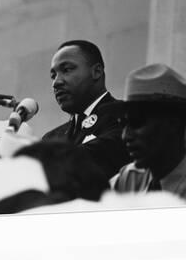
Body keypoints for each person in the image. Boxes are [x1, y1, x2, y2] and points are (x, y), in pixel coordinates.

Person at [112, 63, 186, 205]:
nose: (125, 136)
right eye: (123, 124)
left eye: (137, 123)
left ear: (173, 125)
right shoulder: (128, 179)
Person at [42, 40, 130, 178]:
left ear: (97, 71)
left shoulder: (123, 117)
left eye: (66, 70)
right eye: (53, 75)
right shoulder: (51, 138)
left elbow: (93, 158)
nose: (56, 82)